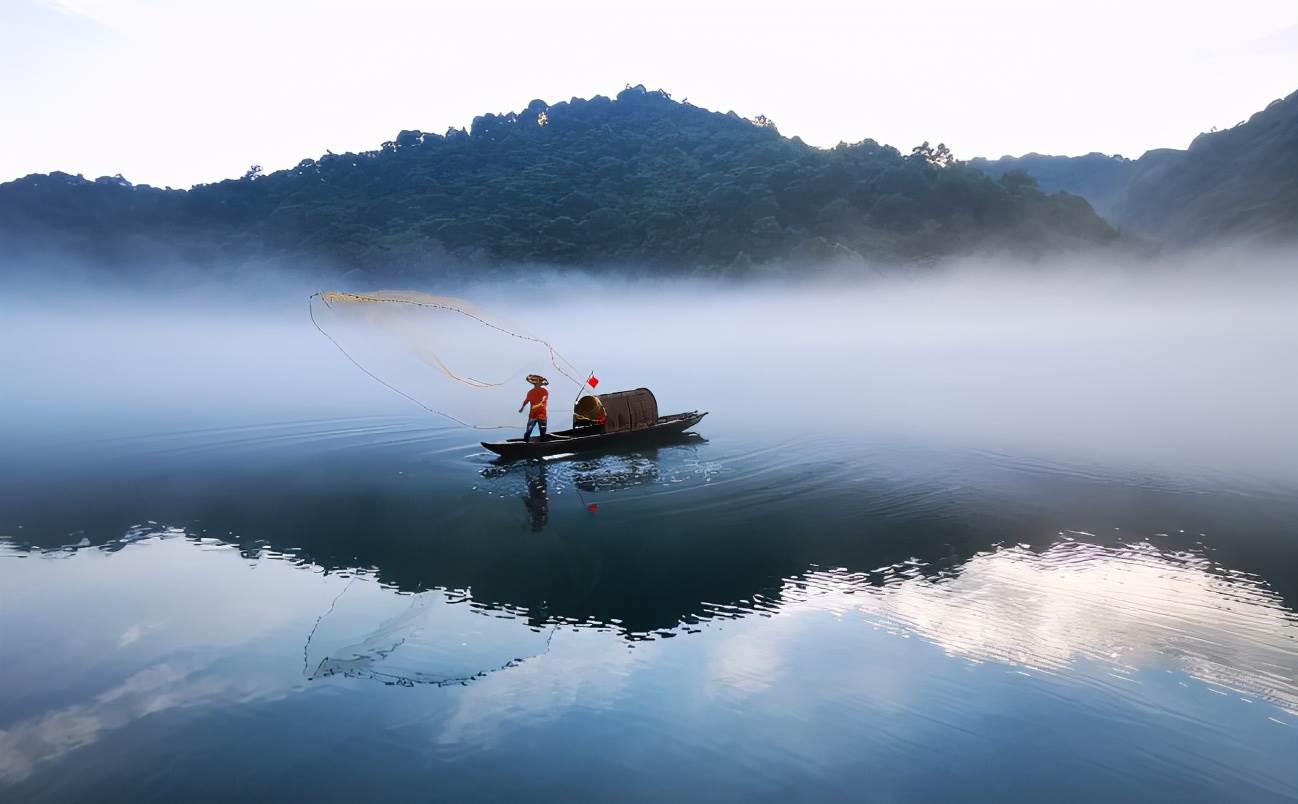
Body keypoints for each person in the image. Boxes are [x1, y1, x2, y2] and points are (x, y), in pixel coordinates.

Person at [519, 374, 549, 442]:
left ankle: (542, 444)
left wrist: (538, 405)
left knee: (542, 432)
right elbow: (526, 401)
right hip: (534, 416)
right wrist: (522, 408)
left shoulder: (544, 391)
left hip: (541, 416)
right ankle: (525, 443)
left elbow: (544, 399)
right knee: (528, 431)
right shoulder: (530, 392)